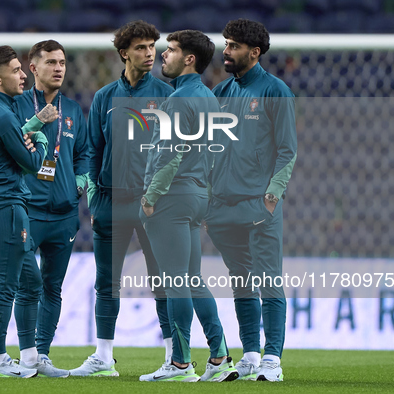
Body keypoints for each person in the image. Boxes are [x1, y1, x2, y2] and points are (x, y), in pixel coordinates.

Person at [70, 20, 174, 377]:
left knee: (163, 281)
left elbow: (178, 151)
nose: (150, 54)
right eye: (142, 48)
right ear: (123, 53)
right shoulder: (104, 98)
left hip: (153, 204)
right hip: (112, 201)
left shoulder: (165, 94)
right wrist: (96, 201)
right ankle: (103, 357)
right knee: (106, 281)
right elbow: (93, 152)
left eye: (152, 47)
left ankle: (174, 356)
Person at [137, 30, 238, 383]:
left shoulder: (179, 100)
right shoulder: (209, 99)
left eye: (172, 50)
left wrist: (151, 197)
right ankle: (220, 356)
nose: (164, 55)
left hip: (172, 197)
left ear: (189, 59)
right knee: (193, 280)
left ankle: (180, 364)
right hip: (197, 196)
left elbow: (171, 152)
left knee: (175, 281)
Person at [205, 19, 297, 382]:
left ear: (254, 52)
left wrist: (272, 197)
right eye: (225, 44)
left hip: (259, 205)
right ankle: (251, 355)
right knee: (240, 282)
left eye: (232, 46)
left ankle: (273, 359)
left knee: (269, 281)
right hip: (222, 206)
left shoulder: (276, 91)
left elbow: (288, 151)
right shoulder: (221, 92)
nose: (225, 51)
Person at [0, 45, 58, 378]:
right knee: (5, 286)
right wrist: (44, 138)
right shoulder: (1, 114)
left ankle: (31, 357)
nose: (23, 75)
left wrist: (34, 123)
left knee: (31, 283)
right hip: (5, 205)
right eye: (17, 70)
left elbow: (14, 138)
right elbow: (36, 165)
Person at [12, 40, 88, 376]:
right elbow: (8, 144)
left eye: (62, 62)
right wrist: (37, 122)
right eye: (51, 62)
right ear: (33, 68)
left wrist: (81, 182)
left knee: (53, 287)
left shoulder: (73, 109)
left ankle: (40, 354)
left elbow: (84, 153)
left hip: (64, 214)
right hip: (28, 208)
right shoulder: (17, 106)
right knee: (16, 282)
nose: (59, 68)